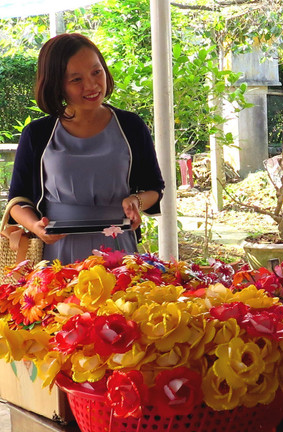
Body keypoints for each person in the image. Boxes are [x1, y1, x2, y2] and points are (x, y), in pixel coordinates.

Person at [5, 33, 164, 264]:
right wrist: (35, 226)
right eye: (76, 79)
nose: (91, 85)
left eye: (96, 72)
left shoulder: (131, 126)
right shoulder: (38, 134)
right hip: (58, 253)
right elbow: (18, 200)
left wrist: (136, 202)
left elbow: (154, 187)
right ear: (57, 85)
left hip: (119, 250)